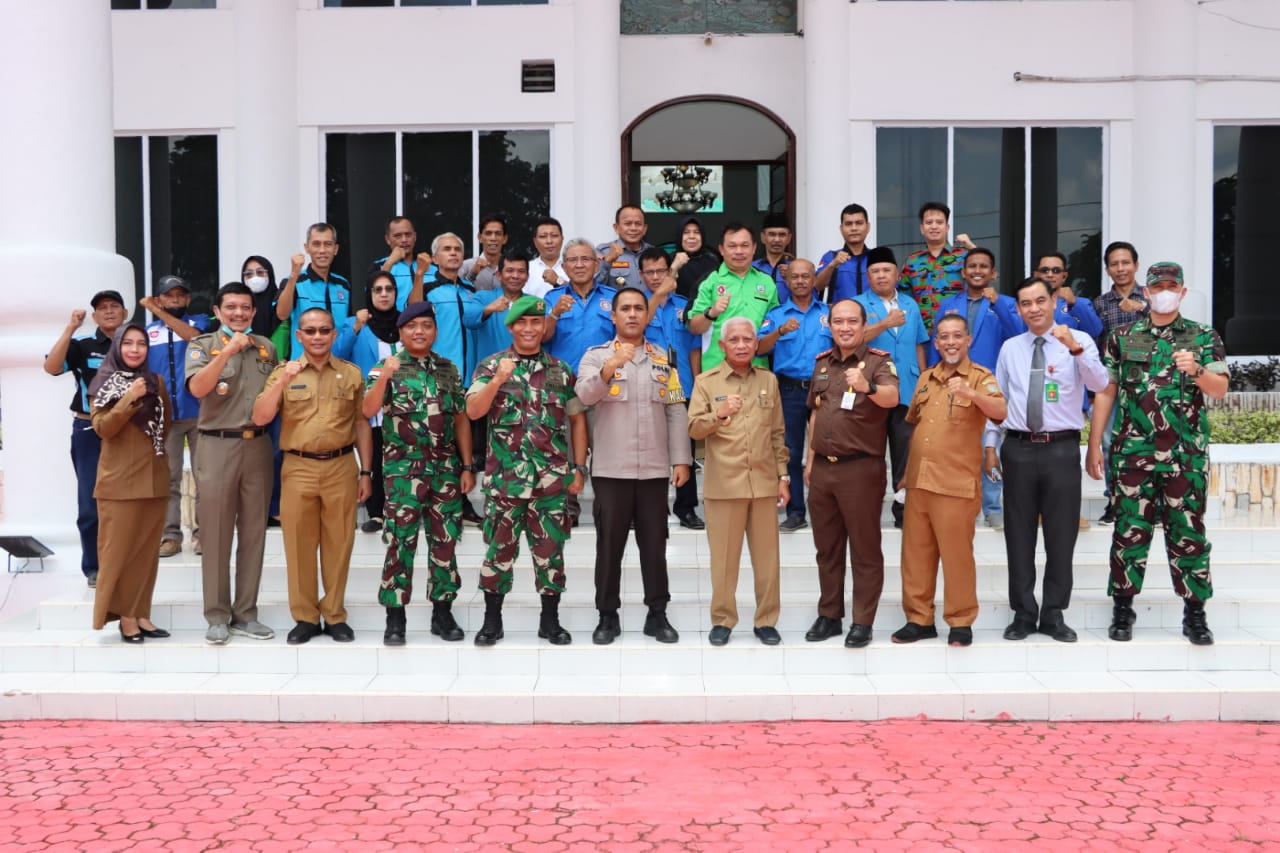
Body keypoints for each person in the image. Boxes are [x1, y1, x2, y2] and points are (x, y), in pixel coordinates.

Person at [1086, 262, 1228, 647]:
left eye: (1171, 285)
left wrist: (1197, 370)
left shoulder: (1203, 336)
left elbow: (1218, 390)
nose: (1164, 291)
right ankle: (1123, 608)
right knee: (1128, 533)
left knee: (1189, 534)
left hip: (1185, 456)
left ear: (1182, 292)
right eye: (1157, 286)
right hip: (1134, 454)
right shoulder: (1122, 336)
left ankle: (1195, 613)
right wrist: (1094, 443)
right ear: (1145, 293)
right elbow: (1106, 391)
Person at [989, 277, 1108, 644]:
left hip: (1061, 448)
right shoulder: (1011, 347)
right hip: (1019, 448)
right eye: (1026, 303)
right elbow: (999, 398)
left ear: (1054, 301)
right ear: (1019, 309)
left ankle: (1054, 613)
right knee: (1018, 535)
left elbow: (1100, 383)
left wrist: (1074, 349)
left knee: (1061, 535)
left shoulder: (1080, 340)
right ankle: (1023, 612)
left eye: (1041, 300)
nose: (1034, 308)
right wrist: (990, 444)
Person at [466, 295, 589, 647]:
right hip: (505, 482)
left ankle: (550, 622)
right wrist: (496, 381)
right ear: (511, 327)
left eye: (536, 323)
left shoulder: (561, 371)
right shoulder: (490, 366)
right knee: (498, 553)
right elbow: (473, 412)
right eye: (523, 323)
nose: (530, 329)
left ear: (543, 327)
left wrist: (579, 467)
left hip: (551, 482)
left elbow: (578, 420)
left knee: (551, 553)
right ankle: (492, 622)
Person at [577, 287, 692, 645]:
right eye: (624, 308)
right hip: (612, 469)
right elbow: (583, 397)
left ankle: (657, 614)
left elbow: (675, 408)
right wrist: (611, 368)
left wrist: (681, 459)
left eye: (638, 309)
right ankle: (607, 616)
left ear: (648, 315)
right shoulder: (596, 357)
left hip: (655, 469)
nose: (631, 314)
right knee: (609, 546)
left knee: (654, 545)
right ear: (612, 316)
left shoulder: (664, 359)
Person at [252, 307, 373, 645]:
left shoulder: (351, 373)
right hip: (299, 467)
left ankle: (334, 614)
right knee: (299, 545)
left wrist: (366, 471)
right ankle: (305, 616)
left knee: (339, 544)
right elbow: (261, 417)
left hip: (341, 466)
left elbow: (362, 422)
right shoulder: (282, 373)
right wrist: (285, 382)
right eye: (310, 331)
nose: (317, 336)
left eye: (324, 330)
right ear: (299, 336)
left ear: (334, 335)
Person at [363, 301, 476, 647]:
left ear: (435, 331)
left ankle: (442, 611)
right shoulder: (385, 367)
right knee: (400, 542)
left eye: (426, 325)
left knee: (445, 541)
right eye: (412, 327)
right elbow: (367, 411)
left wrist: (468, 466)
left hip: (444, 470)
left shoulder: (448, 369)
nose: (420, 332)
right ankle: (394, 617)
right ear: (401, 332)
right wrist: (385, 376)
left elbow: (460, 418)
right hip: (402, 473)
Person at [893, 314, 1007, 647]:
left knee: (957, 558)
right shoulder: (927, 378)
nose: (950, 342)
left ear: (968, 340)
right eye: (943, 337)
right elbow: (917, 424)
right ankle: (919, 619)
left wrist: (972, 395)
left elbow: (1000, 411)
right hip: (920, 481)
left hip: (955, 484)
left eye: (957, 336)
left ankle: (960, 621)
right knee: (915, 557)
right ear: (937, 342)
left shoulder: (980, 377)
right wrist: (905, 472)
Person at [803, 299, 900, 648]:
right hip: (823, 471)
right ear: (829, 325)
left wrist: (867, 387)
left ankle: (862, 620)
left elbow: (892, 397)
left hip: (860, 469)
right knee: (826, 549)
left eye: (852, 321)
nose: (845, 327)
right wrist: (810, 461)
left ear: (863, 324)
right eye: (838, 321)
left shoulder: (877, 361)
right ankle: (829, 615)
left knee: (864, 549)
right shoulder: (822, 365)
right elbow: (815, 414)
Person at [186, 282, 279, 645]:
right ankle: (217, 615)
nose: (238, 314)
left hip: (257, 446)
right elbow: (197, 390)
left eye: (245, 308)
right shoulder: (202, 345)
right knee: (217, 533)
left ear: (254, 312)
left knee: (254, 533)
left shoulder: (266, 348)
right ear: (218, 312)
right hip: (216, 444)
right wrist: (226, 353)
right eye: (231, 308)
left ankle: (246, 613)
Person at [688, 316, 788, 647]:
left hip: (762, 483)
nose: (742, 345)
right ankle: (723, 619)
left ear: (756, 344)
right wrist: (719, 414)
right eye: (735, 340)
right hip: (723, 485)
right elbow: (694, 429)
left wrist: (783, 475)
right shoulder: (706, 381)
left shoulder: (768, 381)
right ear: (722, 345)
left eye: (748, 339)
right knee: (724, 561)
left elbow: (777, 433)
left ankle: (766, 620)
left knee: (767, 562)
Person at [929, 247, 1024, 529]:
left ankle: (992, 505)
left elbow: (1020, 335)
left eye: (984, 266)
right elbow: (938, 343)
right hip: (952, 382)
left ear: (993, 273)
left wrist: (997, 305)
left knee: (989, 447)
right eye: (972, 266)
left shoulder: (1005, 303)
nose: (977, 270)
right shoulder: (949, 304)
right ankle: (957, 503)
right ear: (963, 272)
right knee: (952, 447)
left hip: (988, 384)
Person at [88, 322, 172, 643]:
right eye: (128, 343)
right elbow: (103, 429)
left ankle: (141, 614)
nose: (135, 350)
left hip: (154, 480)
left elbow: (164, 428)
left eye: (141, 344)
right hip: (118, 483)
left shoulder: (157, 382)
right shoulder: (103, 382)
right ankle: (124, 618)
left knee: (146, 554)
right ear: (118, 347)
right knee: (118, 553)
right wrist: (128, 399)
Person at [44, 290, 126, 587]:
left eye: (114, 306)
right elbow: (52, 368)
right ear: (94, 316)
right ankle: (94, 567)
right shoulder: (83, 345)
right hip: (89, 431)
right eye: (101, 308)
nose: (108, 312)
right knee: (91, 502)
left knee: (129, 501)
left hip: (127, 431)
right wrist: (70, 328)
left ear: (124, 312)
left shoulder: (137, 343)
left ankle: (127, 561)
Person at [853, 246, 929, 529]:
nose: (881, 276)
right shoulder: (857, 304)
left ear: (896, 274)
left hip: (907, 387)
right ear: (868, 275)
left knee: (905, 452)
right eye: (875, 271)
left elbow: (919, 344)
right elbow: (852, 340)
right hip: (871, 388)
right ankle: (867, 512)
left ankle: (903, 511)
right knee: (869, 455)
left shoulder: (910, 304)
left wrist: (923, 380)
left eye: (886, 270)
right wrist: (886, 322)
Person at [413, 234, 486, 527]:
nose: (454, 254)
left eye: (458, 250)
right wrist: (419, 274)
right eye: (447, 250)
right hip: (438, 377)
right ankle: (433, 502)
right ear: (436, 257)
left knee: (464, 442)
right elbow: (413, 311)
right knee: (437, 442)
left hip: (469, 377)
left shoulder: (471, 290)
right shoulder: (429, 287)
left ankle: (461, 500)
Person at [756, 258, 832, 532]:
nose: (800, 281)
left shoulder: (828, 314)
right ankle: (796, 511)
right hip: (788, 391)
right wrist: (779, 331)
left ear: (814, 280)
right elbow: (759, 348)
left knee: (827, 451)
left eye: (806, 276)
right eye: (795, 277)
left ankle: (825, 510)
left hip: (824, 390)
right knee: (790, 451)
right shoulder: (776, 314)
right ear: (786, 282)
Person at [142, 274, 210, 558]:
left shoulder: (201, 322)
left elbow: (195, 341)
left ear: (188, 299)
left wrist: (156, 310)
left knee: (204, 475)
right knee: (167, 477)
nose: (175, 299)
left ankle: (203, 534)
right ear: (160, 298)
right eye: (169, 296)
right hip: (165, 416)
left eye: (180, 295)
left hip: (198, 412)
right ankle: (170, 535)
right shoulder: (147, 333)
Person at [639, 248, 704, 530]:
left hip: (683, 385)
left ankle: (686, 507)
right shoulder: (637, 305)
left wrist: (700, 384)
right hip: (648, 385)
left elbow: (693, 347)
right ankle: (652, 508)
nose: (655, 277)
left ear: (669, 272)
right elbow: (638, 326)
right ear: (641, 275)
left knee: (683, 449)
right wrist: (658, 294)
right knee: (649, 448)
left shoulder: (684, 305)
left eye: (661, 271)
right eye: (650, 272)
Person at [334, 271, 402, 534]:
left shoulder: (405, 323)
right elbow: (337, 354)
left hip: (403, 403)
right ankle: (377, 512)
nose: (384, 294)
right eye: (377, 290)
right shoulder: (355, 323)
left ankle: (401, 510)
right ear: (369, 295)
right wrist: (355, 328)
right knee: (374, 456)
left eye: (388, 289)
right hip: (371, 404)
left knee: (401, 457)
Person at [1093, 240, 1149, 526]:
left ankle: (1151, 503)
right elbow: (1095, 344)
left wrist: (1141, 308)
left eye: (1125, 262)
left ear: (1136, 265)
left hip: (1147, 386)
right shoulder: (1101, 304)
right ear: (1107, 269)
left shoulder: (1153, 300)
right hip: (1111, 383)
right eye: (1114, 264)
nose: (1120, 268)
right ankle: (1114, 501)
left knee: (1149, 443)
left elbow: (1166, 330)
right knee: (1110, 443)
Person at [687, 222, 780, 372]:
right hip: (717, 370)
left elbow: (774, 326)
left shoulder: (767, 282)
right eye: (732, 246)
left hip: (757, 370)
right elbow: (694, 328)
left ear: (754, 248)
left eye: (744, 245)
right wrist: (711, 313)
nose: (739, 251)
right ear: (721, 250)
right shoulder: (710, 281)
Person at [275, 223, 351, 359]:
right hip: (303, 366)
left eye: (328, 244)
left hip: (338, 366)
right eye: (316, 244)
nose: (322, 250)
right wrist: (293, 275)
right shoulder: (293, 281)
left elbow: (347, 326)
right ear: (307, 248)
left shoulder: (343, 285)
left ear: (336, 248)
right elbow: (281, 314)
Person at [897, 201, 974, 332]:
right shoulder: (913, 261)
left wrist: (971, 246)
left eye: (939, 222)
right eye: (929, 222)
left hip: (956, 332)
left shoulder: (963, 256)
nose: (934, 226)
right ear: (922, 228)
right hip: (922, 333)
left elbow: (986, 274)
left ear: (947, 227)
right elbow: (903, 299)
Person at [370, 216, 435, 311]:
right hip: (391, 324)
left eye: (408, 235)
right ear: (387, 239)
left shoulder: (429, 265)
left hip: (424, 323)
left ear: (415, 237)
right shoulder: (377, 266)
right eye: (398, 236)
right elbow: (371, 296)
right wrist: (389, 263)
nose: (404, 240)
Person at [1033, 252, 1103, 339]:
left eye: (1056, 270)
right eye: (1045, 270)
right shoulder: (1027, 304)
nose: (1050, 275)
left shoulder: (1081, 303)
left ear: (1064, 276)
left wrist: (1074, 303)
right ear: (1036, 275)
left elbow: (1095, 331)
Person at [815, 203, 873, 303]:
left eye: (859, 223)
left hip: (873, 317)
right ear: (841, 229)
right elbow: (817, 286)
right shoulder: (831, 257)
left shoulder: (876, 257)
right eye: (848, 224)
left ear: (867, 227)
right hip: (840, 317)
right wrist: (832, 265)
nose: (854, 228)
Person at [595, 204, 654, 293]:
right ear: (616, 227)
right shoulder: (603, 252)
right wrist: (607, 262)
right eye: (627, 223)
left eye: (638, 224)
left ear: (645, 229)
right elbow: (592, 287)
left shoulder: (653, 253)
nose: (633, 228)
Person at [670, 216, 721, 303]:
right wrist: (674, 267)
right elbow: (664, 292)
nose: (692, 236)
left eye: (697, 232)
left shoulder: (712, 262)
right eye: (686, 232)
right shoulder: (669, 259)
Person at [461, 213, 508, 292]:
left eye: (498, 234)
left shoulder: (513, 268)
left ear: (505, 239)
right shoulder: (465, 266)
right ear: (480, 237)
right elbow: (457, 294)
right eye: (488, 233)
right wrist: (472, 274)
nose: (493, 238)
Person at [752, 212, 794, 301]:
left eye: (782, 235)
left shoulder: (797, 269)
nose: (777, 239)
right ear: (763, 237)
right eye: (772, 234)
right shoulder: (751, 268)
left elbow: (810, 299)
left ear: (789, 238)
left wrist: (792, 279)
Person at [526, 216, 566, 298]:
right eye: (543, 236)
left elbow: (581, 293)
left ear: (562, 239)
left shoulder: (574, 266)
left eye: (554, 236)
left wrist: (558, 280)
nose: (549, 241)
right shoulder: (527, 268)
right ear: (535, 241)